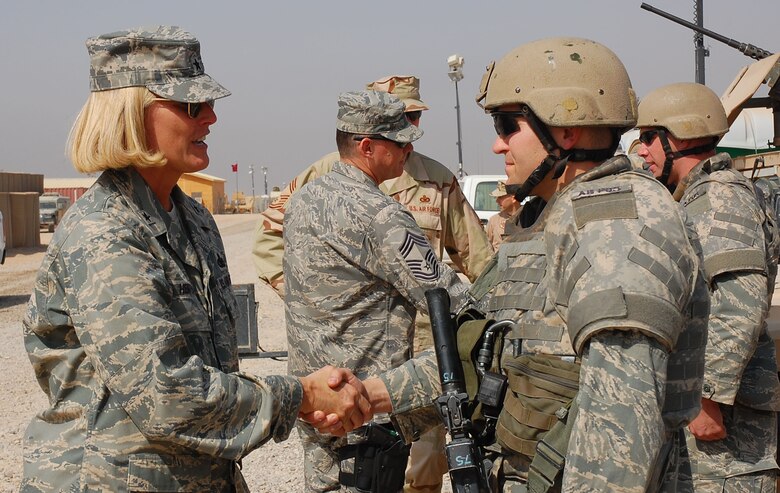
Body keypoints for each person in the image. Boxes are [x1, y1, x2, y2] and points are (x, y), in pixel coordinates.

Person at [341, 37, 711, 492]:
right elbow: (477, 348)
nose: (498, 146)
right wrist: (369, 395)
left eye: (506, 125)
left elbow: (622, 426)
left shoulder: (616, 223)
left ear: (565, 130)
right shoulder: (546, 216)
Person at [20, 26, 369, 493]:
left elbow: (212, 372)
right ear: (131, 115)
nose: (211, 117)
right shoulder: (104, 232)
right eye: (190, 105)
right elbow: (166, 395)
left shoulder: (195, 221)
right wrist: (301, 396)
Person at [253, 75, 490, 493]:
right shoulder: (381, 216)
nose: (409, 150)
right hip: (365, 411)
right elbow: (450, 300)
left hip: (316, 401)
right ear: (366, 146)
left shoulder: (307, 197)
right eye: (400, 143)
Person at [637, 82, 780, 492]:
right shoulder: (696, 197)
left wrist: (707, 398)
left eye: (649, 138)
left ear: (679, 136)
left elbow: (740, 299)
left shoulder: (718, 197)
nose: (642, 150)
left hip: (725, 429)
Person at [252, 75, 492, 297]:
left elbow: (478, 258)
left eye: (413, 116)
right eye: (397, 118)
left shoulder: (438, 180)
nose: (406, 126)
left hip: (421, 336)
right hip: (353, 335)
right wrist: (307, 298)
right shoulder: (324, 173)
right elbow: (268, 239)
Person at [485, 181, 521, 250]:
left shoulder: (528, 216)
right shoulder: (494, 221)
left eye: (500, 197)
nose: (497, 201)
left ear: (513, 198)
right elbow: (487, 247)